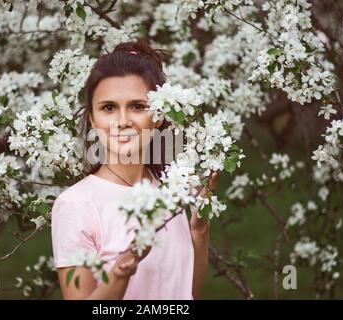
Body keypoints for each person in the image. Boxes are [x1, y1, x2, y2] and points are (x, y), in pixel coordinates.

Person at [51, 39, 218, 300]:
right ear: (93, 119)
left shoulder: (169, 192)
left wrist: (199, 230)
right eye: (109, 108)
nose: (123, 121)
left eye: (137, 107)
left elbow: (186, 295)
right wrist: (120, 273)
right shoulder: (76, 205)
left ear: (159, 115)